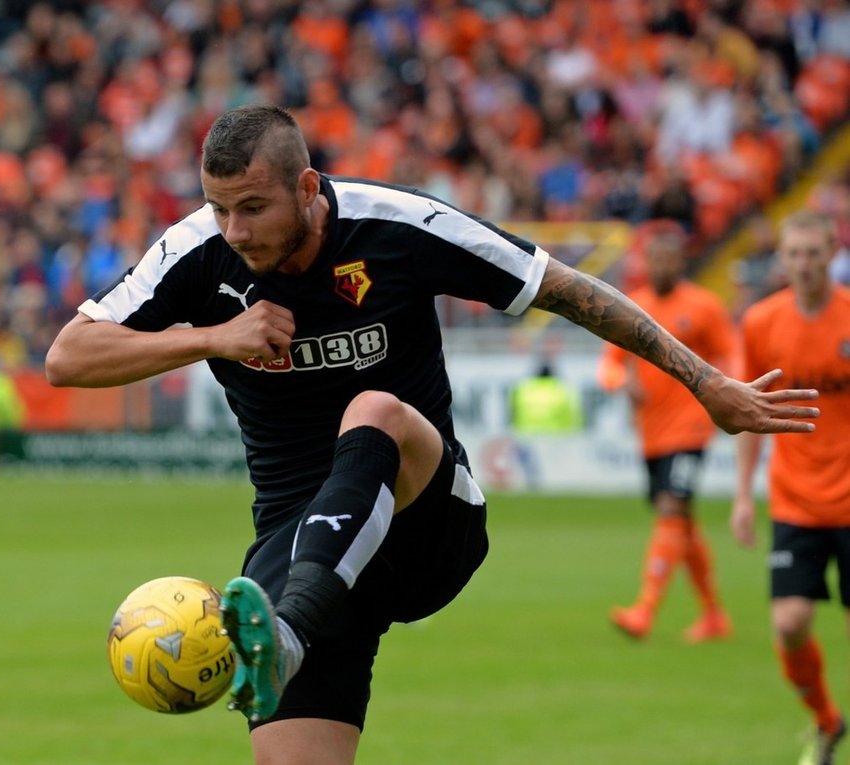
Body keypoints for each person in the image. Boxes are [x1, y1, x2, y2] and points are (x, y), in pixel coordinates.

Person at [46, 105, 818, 765]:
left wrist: (705, 380)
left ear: (308, 189)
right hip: (298, 542)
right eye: (218, 207)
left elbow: (569, 289)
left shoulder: (398, 225)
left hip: (426, 516)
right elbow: (68, 356)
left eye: (252, 207)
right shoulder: (198, 251)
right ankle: (290, 630)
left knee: (372, 410)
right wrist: (211, 337)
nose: (233, 228)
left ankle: (286, 633)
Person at [730, 210, 850, 765]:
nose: (803, 265)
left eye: (814, 253)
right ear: (781, 258)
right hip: (795, 498)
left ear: (832, 254)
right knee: (790, 622)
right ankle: (827, 722)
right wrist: (741, 495)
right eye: (794, 254)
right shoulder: (760, 323)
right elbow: (750, 413)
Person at [599, 229, 736, 643]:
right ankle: (714, 615)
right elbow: (609, 364)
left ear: (681, 261)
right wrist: (623, 381)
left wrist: (724, 396)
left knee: (671, 508)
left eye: (668, 259)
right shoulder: (634, 306)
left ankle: (645, 609)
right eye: (654, 259)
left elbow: (729, 353)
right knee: (683, 523)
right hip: (652, 432)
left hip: (691, 427)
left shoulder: (704, 305)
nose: (661, 267)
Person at [509, 356, 584, 435]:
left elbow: (513, 413)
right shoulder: (562, 390)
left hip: (526, 434)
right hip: (557, 436)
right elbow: (573, 417)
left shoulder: (523, 390)